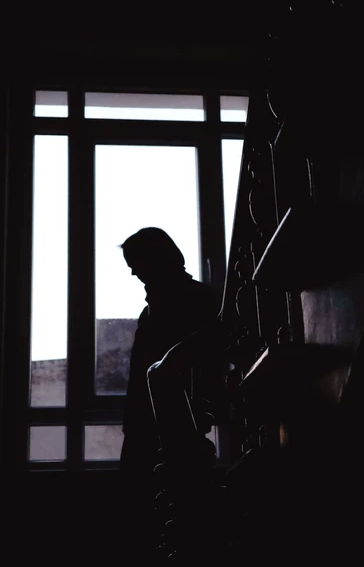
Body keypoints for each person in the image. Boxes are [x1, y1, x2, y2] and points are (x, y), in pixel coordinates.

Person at [118, 227, 218, 551]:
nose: (133, 271)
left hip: (170, 427)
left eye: (136, 262)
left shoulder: (189, 305)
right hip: (151, 427)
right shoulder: (157, 311)